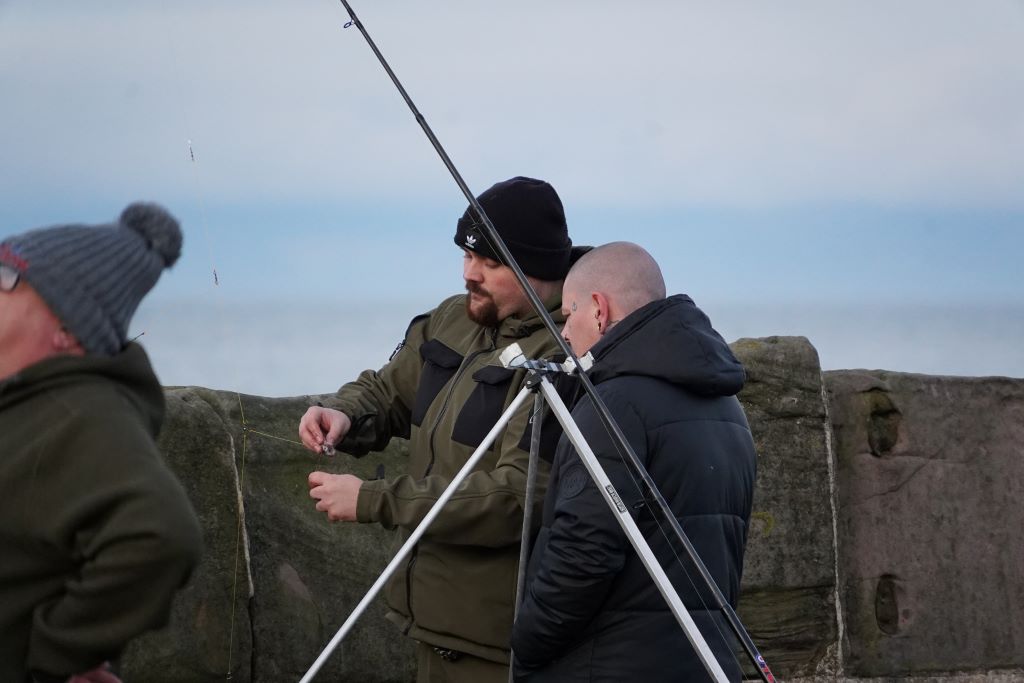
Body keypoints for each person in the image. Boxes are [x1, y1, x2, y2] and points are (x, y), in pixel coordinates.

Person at [298, 176, 578, 682]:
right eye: (467, 256)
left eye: (490, 263)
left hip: (502, 647)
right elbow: (388, 390)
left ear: (535, 267)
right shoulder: (453, 318)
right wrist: (342, 414)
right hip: (428, 627)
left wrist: (374, 500)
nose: (470, 273)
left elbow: (518, 498)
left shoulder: (564, 355)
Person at [510, 242, 757, 682]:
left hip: (607, 666)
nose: (564, 333)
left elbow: (583, 552)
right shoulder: (727, 405)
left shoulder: (613, 404)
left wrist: (527, 644)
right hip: (702, 663)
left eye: (568, 315)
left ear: (598, 310)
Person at [0, 204, 204, 683]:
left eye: (7, 278)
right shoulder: (25, 403)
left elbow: (163, 533)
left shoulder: (81, 414)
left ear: (65, 329)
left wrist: (58, 656)